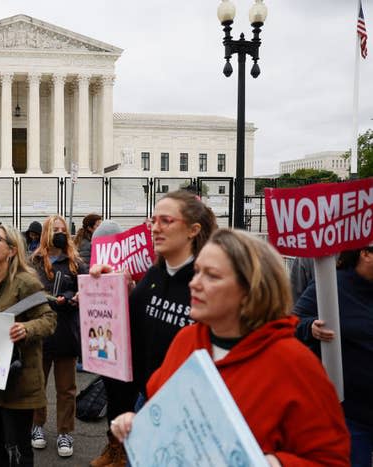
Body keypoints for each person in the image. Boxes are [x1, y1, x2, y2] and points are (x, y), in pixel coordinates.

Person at [110, 229, 350, 466]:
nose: (194, 284)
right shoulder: (187, 339)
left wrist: (272, 463)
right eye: (196, 272)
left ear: (250, 290)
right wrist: (138, 425)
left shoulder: (294, 363)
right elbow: (163, 412)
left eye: (212, 276)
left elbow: (330, 459)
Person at [89, 190, 216, 467]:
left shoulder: (211, 280)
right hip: (146, 403)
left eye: (166, 220)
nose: (155, 227)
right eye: (153, 219)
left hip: (190, 414)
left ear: (193, 230)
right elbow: (130, 323)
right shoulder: (156, 274)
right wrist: (105, 288)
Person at [0, 224, 56, 467]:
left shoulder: (26, 282)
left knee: (18, 450)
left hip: (18, 383)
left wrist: (26, 329)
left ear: (12, 250)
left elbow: (49, 320)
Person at [294, 244, 373, 467]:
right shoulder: (334, 285)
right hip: (349, 414)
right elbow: (292, 322)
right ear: (365, 254)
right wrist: (311, 328)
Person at [29, 215, 88, 458]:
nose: (59, 233)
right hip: (40, 334)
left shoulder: (76, 262)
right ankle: (36, 426)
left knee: (66, 389)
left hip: (65, 332)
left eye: (63, 230)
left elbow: (86, 289)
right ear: (46, 233)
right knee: (37, 386)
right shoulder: (33, 262)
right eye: (55, 230)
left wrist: (75, 297)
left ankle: (65, 431)